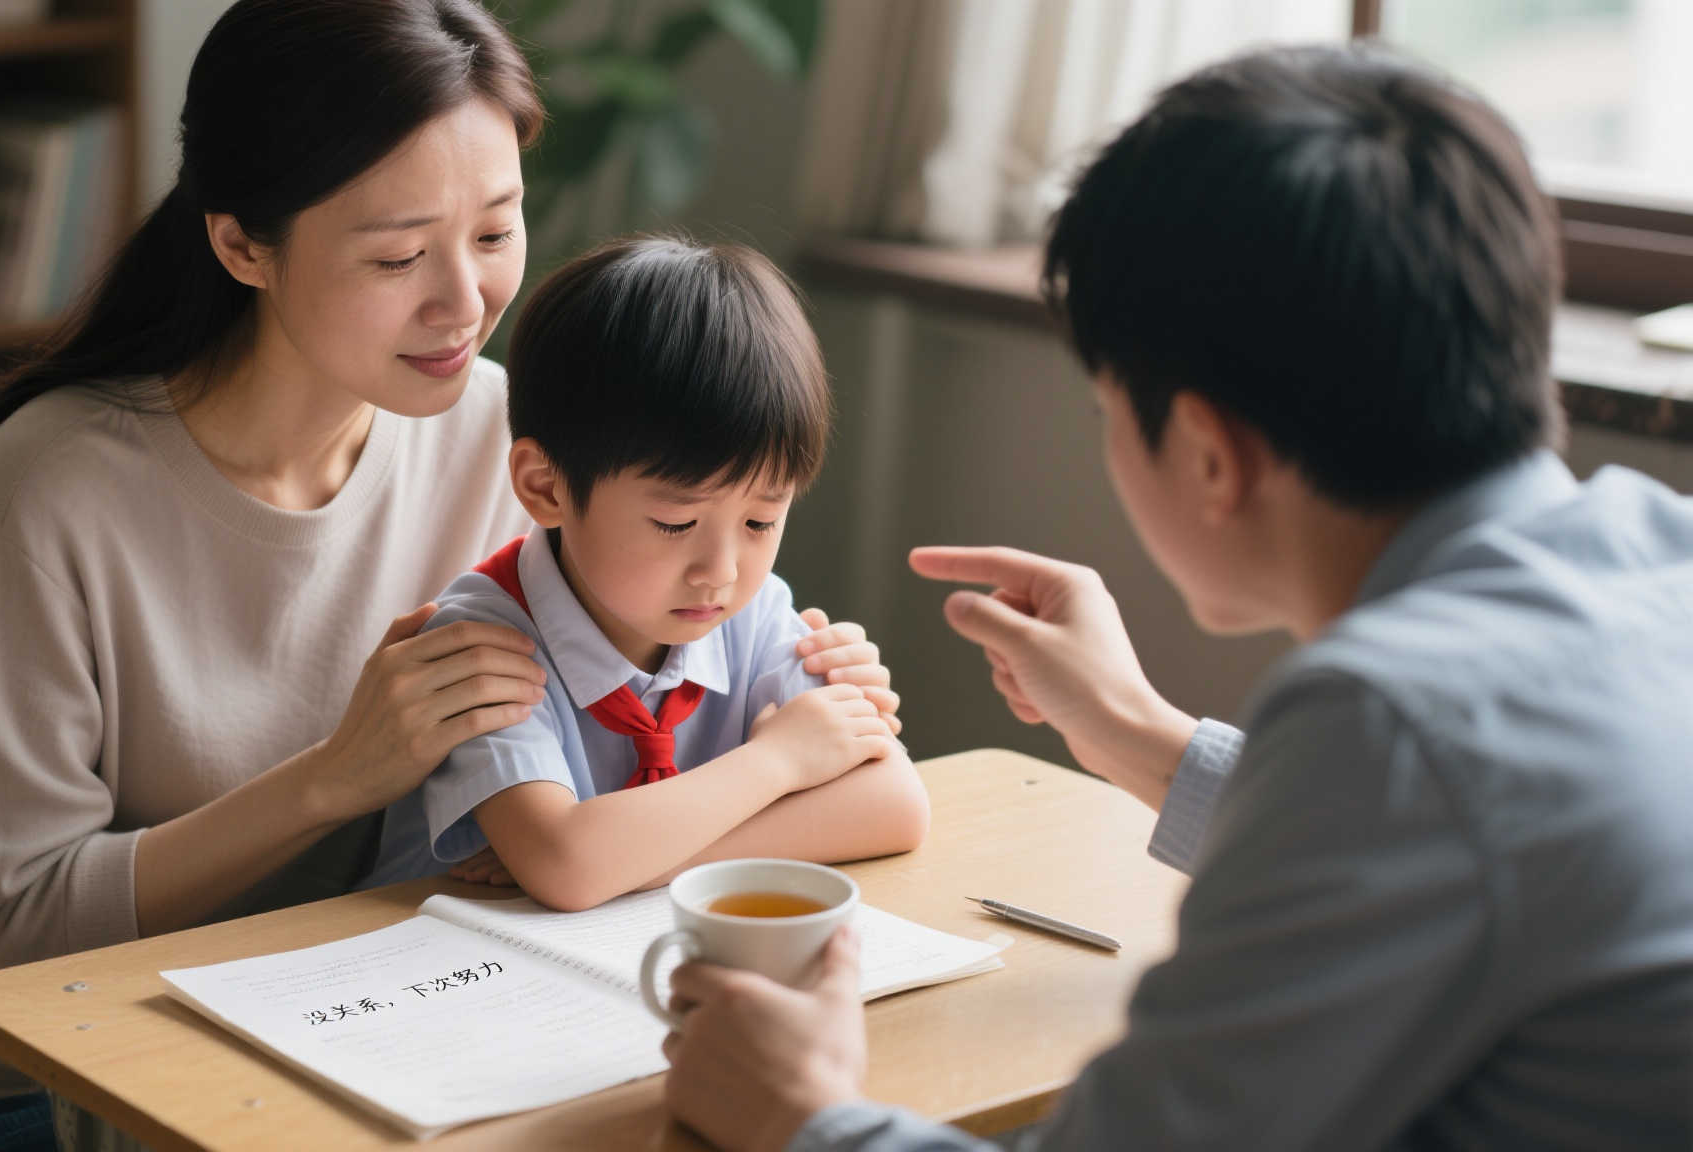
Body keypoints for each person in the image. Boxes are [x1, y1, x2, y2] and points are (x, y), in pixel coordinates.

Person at [0, 4, 894, 1149]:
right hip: (9, 1087)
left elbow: (611, 755)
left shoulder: (502, 436)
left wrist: (799, 704)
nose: (464, 303)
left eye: (493, 233)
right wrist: (334, 778)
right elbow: (15, 935)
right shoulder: (47, 500)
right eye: (395, 255)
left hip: (349, 1024)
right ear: (241, 245)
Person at [660, 43, 1693, 1152]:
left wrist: (801, 1118)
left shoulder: (1386, 722)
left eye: (1106, 408)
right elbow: (1453, 827)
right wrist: (1134, 732)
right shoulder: (1656, 548)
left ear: (1206, 451)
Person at [360, 236, 926, 909]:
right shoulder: (481, 644)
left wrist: (633, 860)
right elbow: (567, 866)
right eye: (676, 525)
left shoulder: (757, 613)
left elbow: (894, 807)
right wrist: (778, 764)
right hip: (425, 973)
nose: (719, 573)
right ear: (546, 487)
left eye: (760, 522)